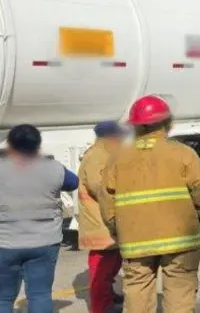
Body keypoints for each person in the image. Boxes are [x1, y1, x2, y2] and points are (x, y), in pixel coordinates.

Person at [99, 95, 200, 313]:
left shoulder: (117, 158)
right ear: (167, 122)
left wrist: (116, 226)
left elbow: (107, 200)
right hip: (181, 240)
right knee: (180, 296)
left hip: (135, 241)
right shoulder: (183, 153)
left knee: (137, 297)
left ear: (134, 127)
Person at [0, 124, 79, 313]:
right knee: (40, 294)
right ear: (38, 145)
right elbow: (73, 182)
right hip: (45, 241)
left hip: (5, 242)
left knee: (3, 297)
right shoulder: (53, 167)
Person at [78, 121, 127, 313]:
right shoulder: (97, 156)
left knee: (113, 263)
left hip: (107, 222)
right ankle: (101, 306)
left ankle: (108, 296)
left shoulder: (106, 153)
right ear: (112, 137)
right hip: (100, 224)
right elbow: (102, 188)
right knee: (101, 270)